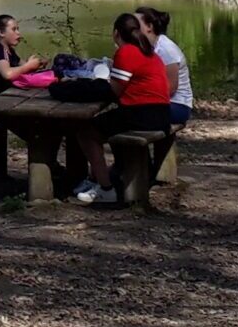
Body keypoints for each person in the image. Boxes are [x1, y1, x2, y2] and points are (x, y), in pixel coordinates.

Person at [67, 11, 170, 204]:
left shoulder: (126, 52)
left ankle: (105, 188)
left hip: (143, 113)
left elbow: (114, 90)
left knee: (86, 131)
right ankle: (98, 178)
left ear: (116, 33)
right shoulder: (148, 52)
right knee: (104, 125)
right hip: (162, 112)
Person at [134, 6, 193, 128]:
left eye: (135, 24)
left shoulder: (166, 49)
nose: (131, 27)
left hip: (177, 106)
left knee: (126, 115)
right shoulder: (149, 47)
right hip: (164, 104)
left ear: (149, 27)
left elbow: (170, 88)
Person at [0, 13, 44, 97]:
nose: (18, 33)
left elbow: (22, 66)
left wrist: (37, 64)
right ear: (1, 32)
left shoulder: (10, 51)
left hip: (9, 96)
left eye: (18, 29)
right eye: (14, 29)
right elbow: (7, 74)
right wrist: (28, 66)